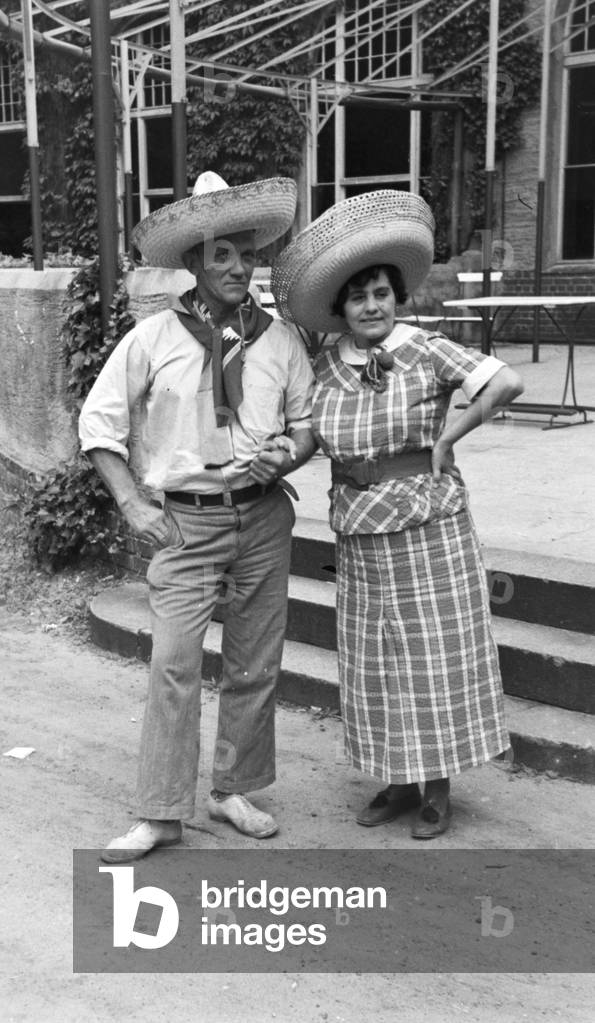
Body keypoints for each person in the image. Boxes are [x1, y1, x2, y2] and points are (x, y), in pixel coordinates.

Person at [271, 190, 523, 839]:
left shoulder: (425, 347)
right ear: (342, 308)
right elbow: (305, 435)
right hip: (360, 533)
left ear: (395, 295)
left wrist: (448, 437)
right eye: (358, 297)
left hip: (428, 528)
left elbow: (503, 381)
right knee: (376, 660)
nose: (371, 305)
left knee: (432, 654)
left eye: (380, 292)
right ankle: (397, 777)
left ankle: (436, 785)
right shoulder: (324, 365)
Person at [79, 172, 316, 861]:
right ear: (192, 264)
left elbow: (304, 427)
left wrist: (286, 457)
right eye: (222, 256)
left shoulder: (281, 341)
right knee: (173, 664)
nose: (240, 267)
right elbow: (99, 425)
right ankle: (159, 811)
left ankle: (233, 787)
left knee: (254, 661)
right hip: (183, 523)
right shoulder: (152, 338)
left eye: (247, 253)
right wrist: (131, 503)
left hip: (264, 519)